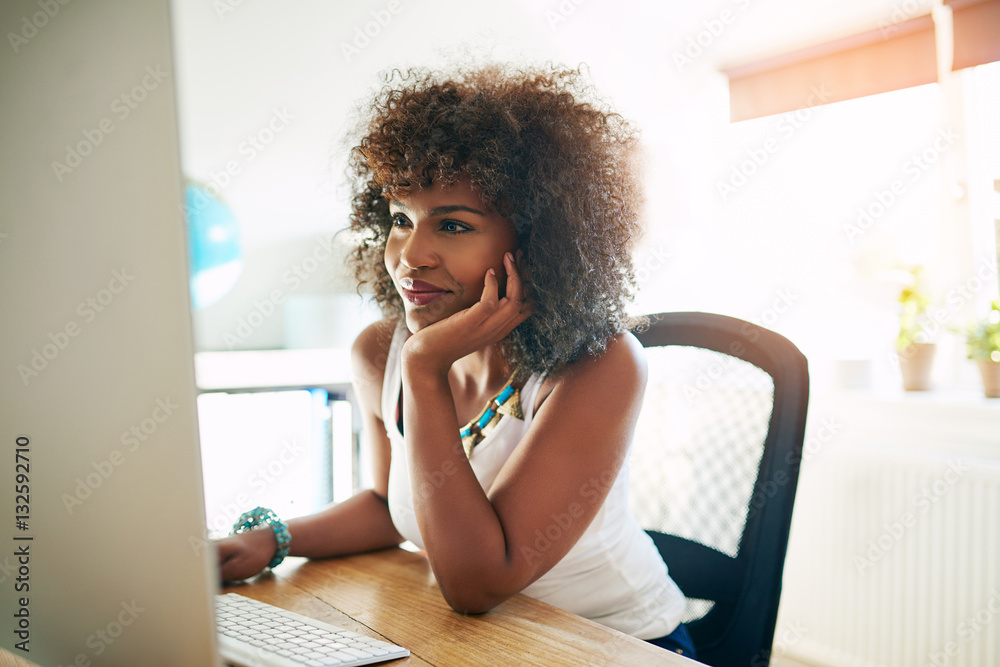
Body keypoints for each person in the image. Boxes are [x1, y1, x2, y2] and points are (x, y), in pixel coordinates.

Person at [216, 63, 695, 657]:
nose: (411, 255)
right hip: (485, 642)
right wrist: (275, 539)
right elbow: (392, 505)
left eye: (452, 225)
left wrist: (424, 372)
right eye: (399, 220)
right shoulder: (377, 351)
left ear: (536, 239)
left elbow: (476, 583)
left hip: (614, 643)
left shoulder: (599, 365)